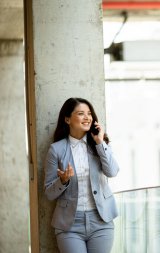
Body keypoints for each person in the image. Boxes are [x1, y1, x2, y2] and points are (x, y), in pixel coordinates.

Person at [44, 97, 119, 253]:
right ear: (67, 119)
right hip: (69, 225)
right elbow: (49, 193)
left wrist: (100, 143)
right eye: (81, 113)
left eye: (89, 113)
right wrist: (63, 181)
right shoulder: (56, 150)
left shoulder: (99, 143)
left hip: (101, 221)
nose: (87, 117)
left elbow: (112, 172)